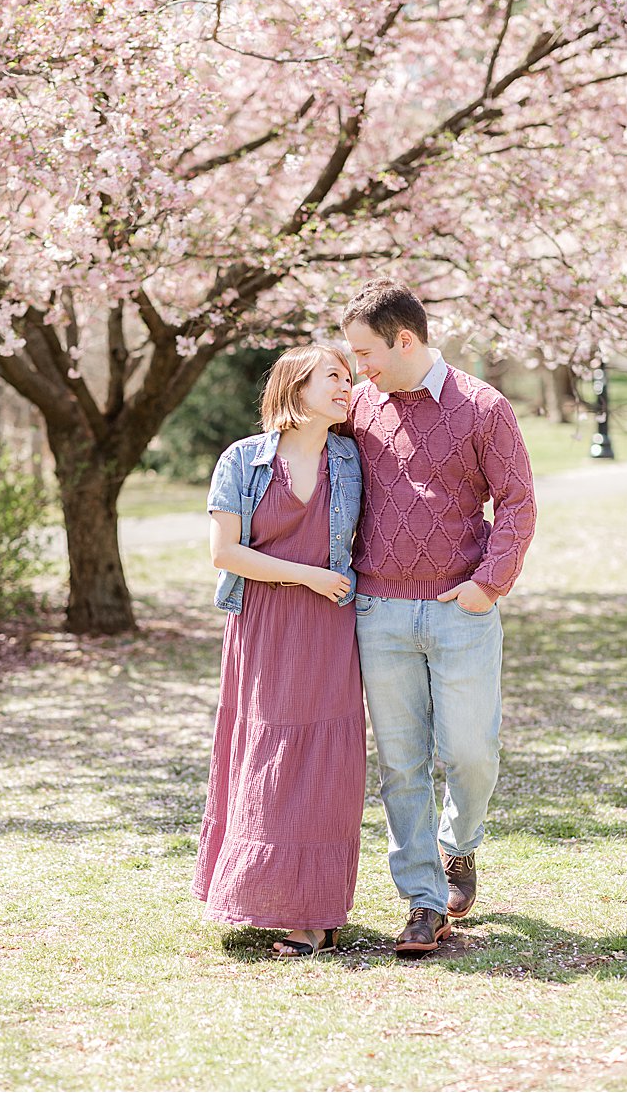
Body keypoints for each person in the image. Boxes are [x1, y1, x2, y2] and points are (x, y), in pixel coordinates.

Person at [338, 278, 536, 957]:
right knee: (401, 763)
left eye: (366, 352)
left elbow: (516, 502)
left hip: (461, 610)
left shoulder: (484, 407)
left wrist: (489, 585)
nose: (358, 367)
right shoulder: (357, 407)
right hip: (379, 610)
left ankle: (461, 847)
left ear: (406, 340)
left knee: (471, 753)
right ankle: (424, 900)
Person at [193, 344, 366, 958]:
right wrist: (307, 577)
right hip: (266, 625)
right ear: (296, 388)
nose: (347, 387)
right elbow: (225, 554)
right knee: (269, 748)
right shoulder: (243, 461)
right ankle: (268, 894)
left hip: (330, 630)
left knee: (326, 761)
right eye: (333, 378)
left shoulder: (352, 458)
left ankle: (315, 912)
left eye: (350, 378)